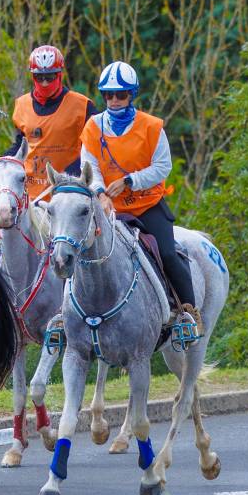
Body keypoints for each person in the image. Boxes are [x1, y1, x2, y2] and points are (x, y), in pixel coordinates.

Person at [79, 60, 201, 336]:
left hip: (147, 205)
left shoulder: (152, 127)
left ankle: (189, 313)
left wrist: (130, 181)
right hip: (109, 208)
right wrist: (99, 192)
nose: (113, 100)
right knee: (76, 247)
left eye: (120, 94)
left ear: (131, 94)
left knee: (168, 253)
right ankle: (68, 315)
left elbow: (162, 167)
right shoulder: (92, 127)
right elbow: (90, 166)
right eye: (108, 94)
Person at [6, 44, 95, 199]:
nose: (45, 83)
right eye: (39, 77)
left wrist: (71, 173)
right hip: (31, 194)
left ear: (60, 75)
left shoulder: (83, 106)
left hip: (69, 191)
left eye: (50, 77)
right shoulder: (21, 105)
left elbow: (94, 147)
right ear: (33, 77)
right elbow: (20, 146)